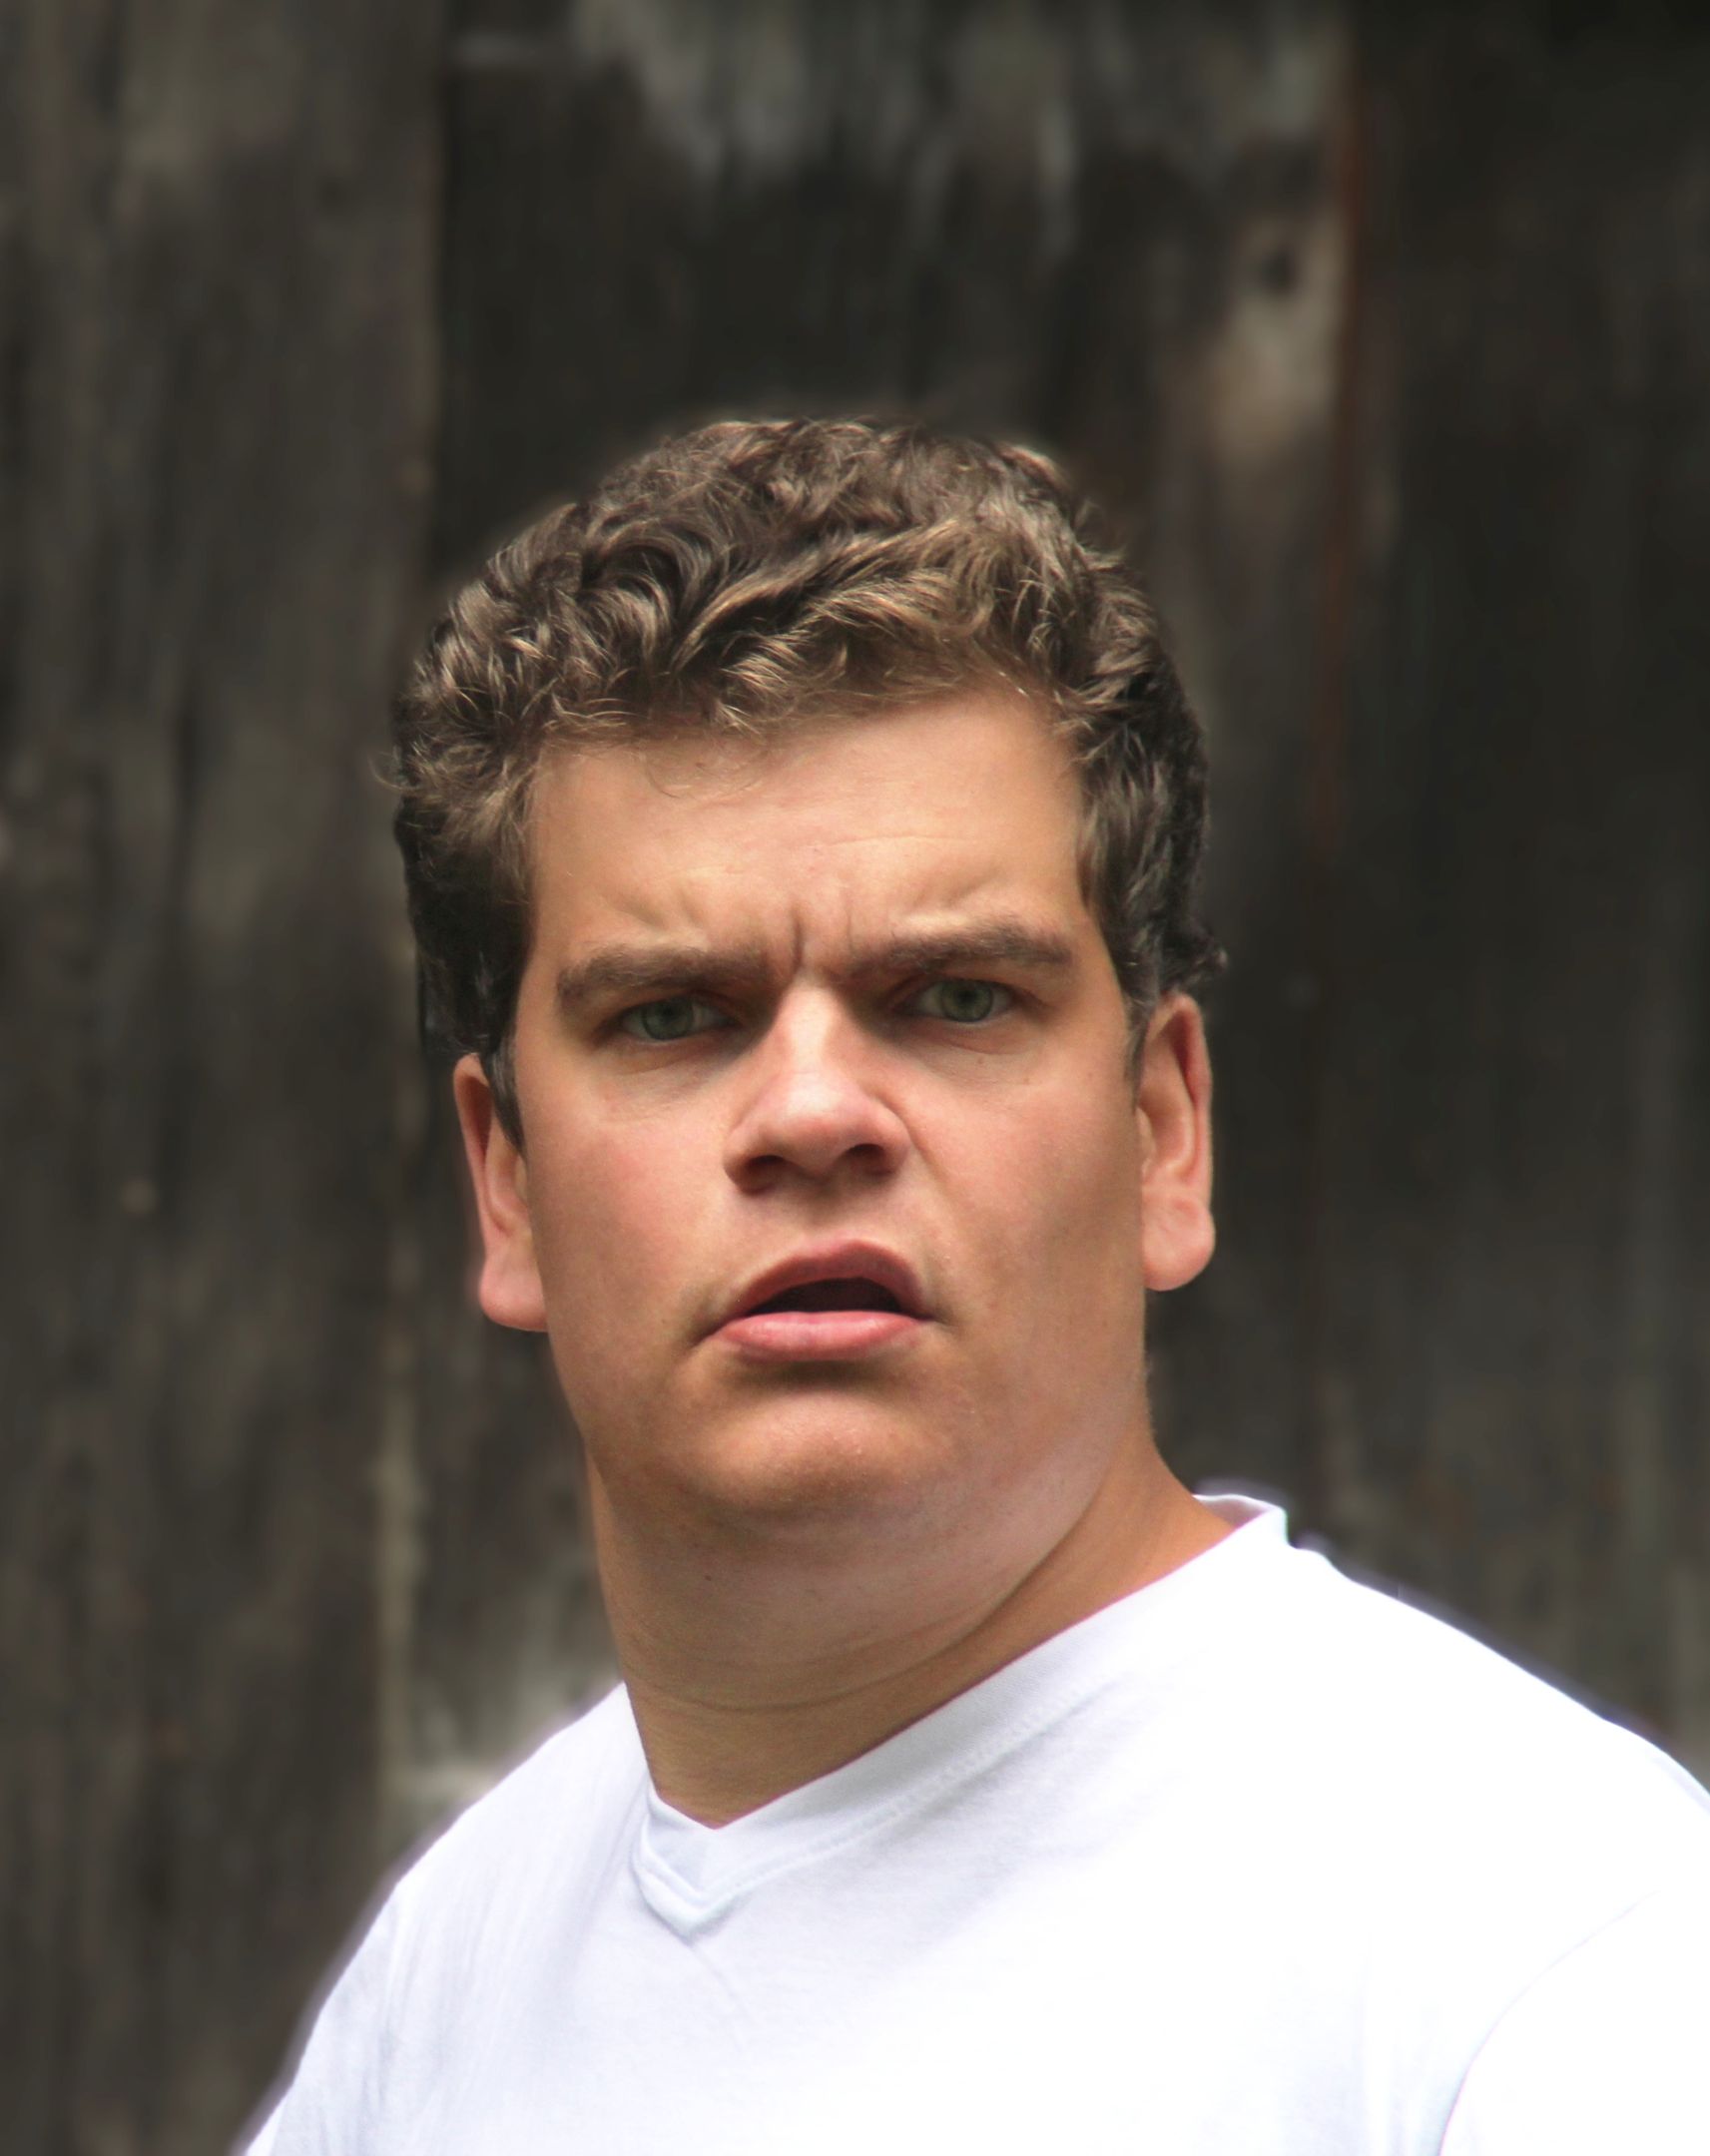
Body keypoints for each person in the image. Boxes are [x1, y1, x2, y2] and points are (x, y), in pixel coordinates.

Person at [247, 419, 1710, 2154]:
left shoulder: (1550, 1959)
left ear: (1161, 1132)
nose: (811, 1113)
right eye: (673, 1016)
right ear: (506, 1184)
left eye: (952, 999)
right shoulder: (439, 2002)